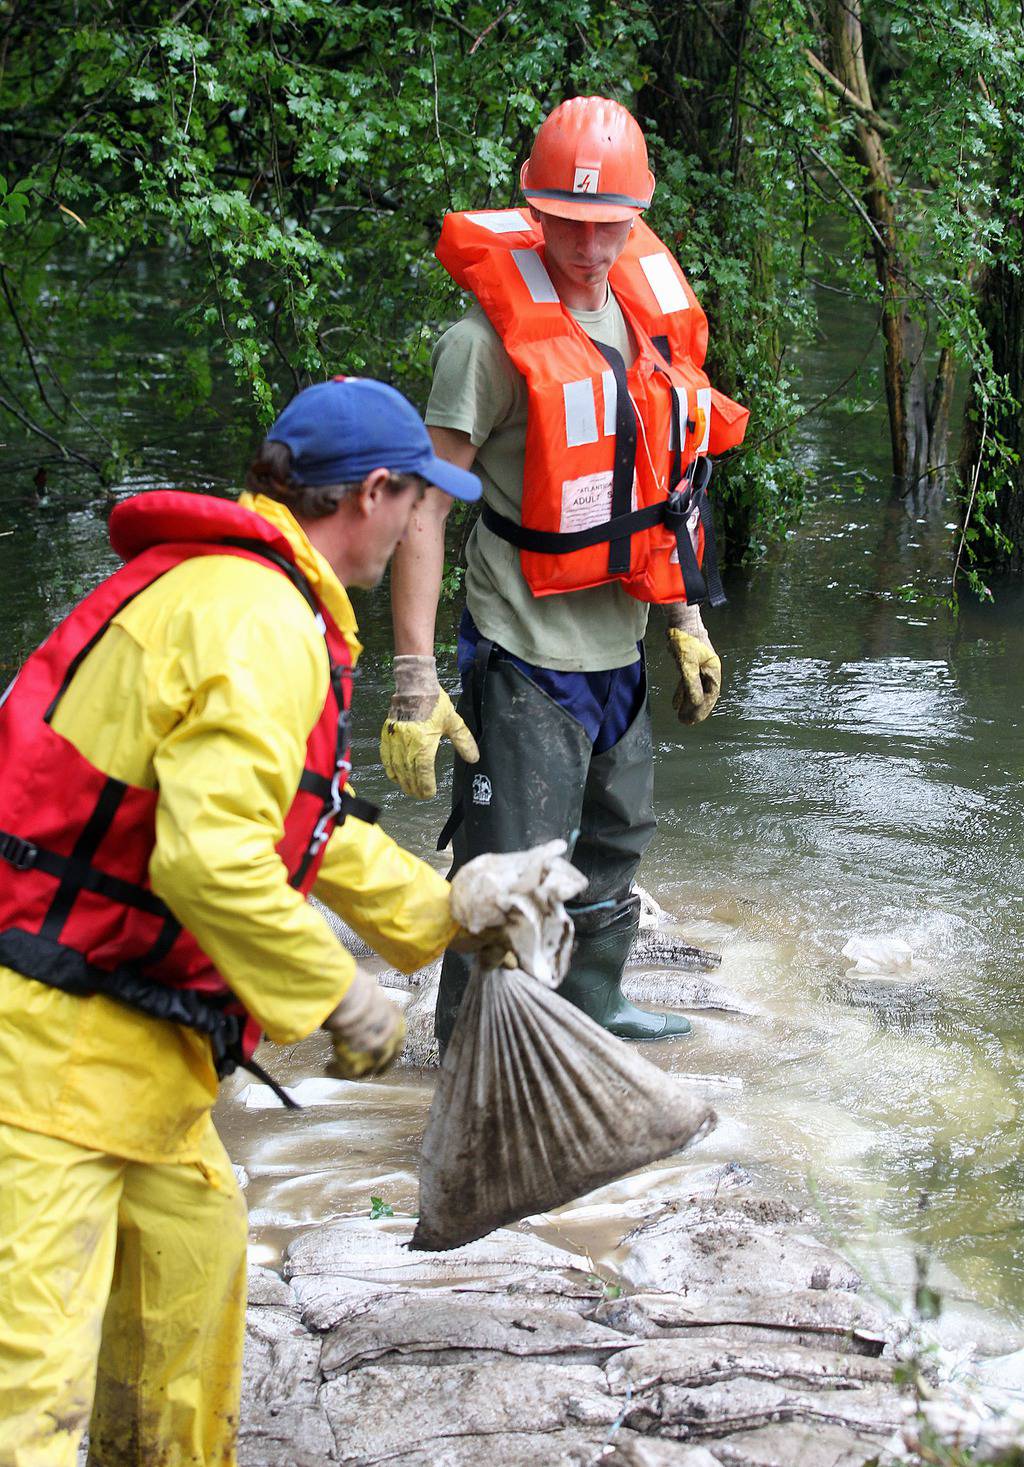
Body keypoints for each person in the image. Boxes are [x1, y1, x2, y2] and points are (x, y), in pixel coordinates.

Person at [0, 376, 497, 1465]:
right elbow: (209, 858)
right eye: (419, 502)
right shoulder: (257, 616)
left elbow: (291, 823)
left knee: (192, 1285)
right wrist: (339, 996)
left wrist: (448, 906)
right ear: (373, 493)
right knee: (25, 1402)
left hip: (135, 1057)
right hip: (44, 1061)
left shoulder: (244, 592)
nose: (422, 526)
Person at [381, 96, 749, 1052]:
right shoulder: (483, 345)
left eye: (609, 227)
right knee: (513, 869)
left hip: (618, 634)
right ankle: (473, 1049)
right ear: (533, 214)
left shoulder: (641, 318)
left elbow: (661, 487)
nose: (589, 248)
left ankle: (593, 1000)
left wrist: (685, 620)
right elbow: (425, 509)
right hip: (522, 646)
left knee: (618, 834)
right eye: (569, 225)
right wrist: (414, 682)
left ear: (638, 219)